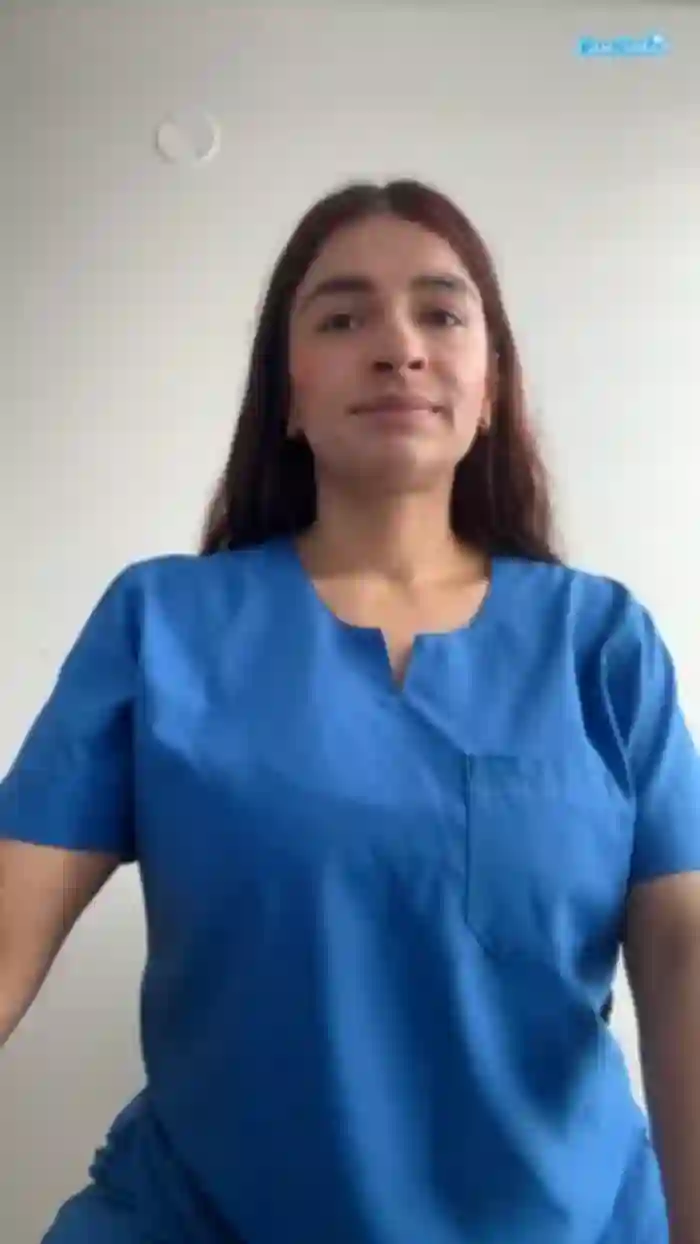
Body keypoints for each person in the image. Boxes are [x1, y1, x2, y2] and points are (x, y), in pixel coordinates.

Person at [1, 178, 699, 1244]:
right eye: (341, 318)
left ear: (491, 385)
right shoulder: (161, 624)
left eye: (441, 313)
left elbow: (684, 950)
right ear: (286, 395)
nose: (399, 347)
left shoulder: (600, 642)